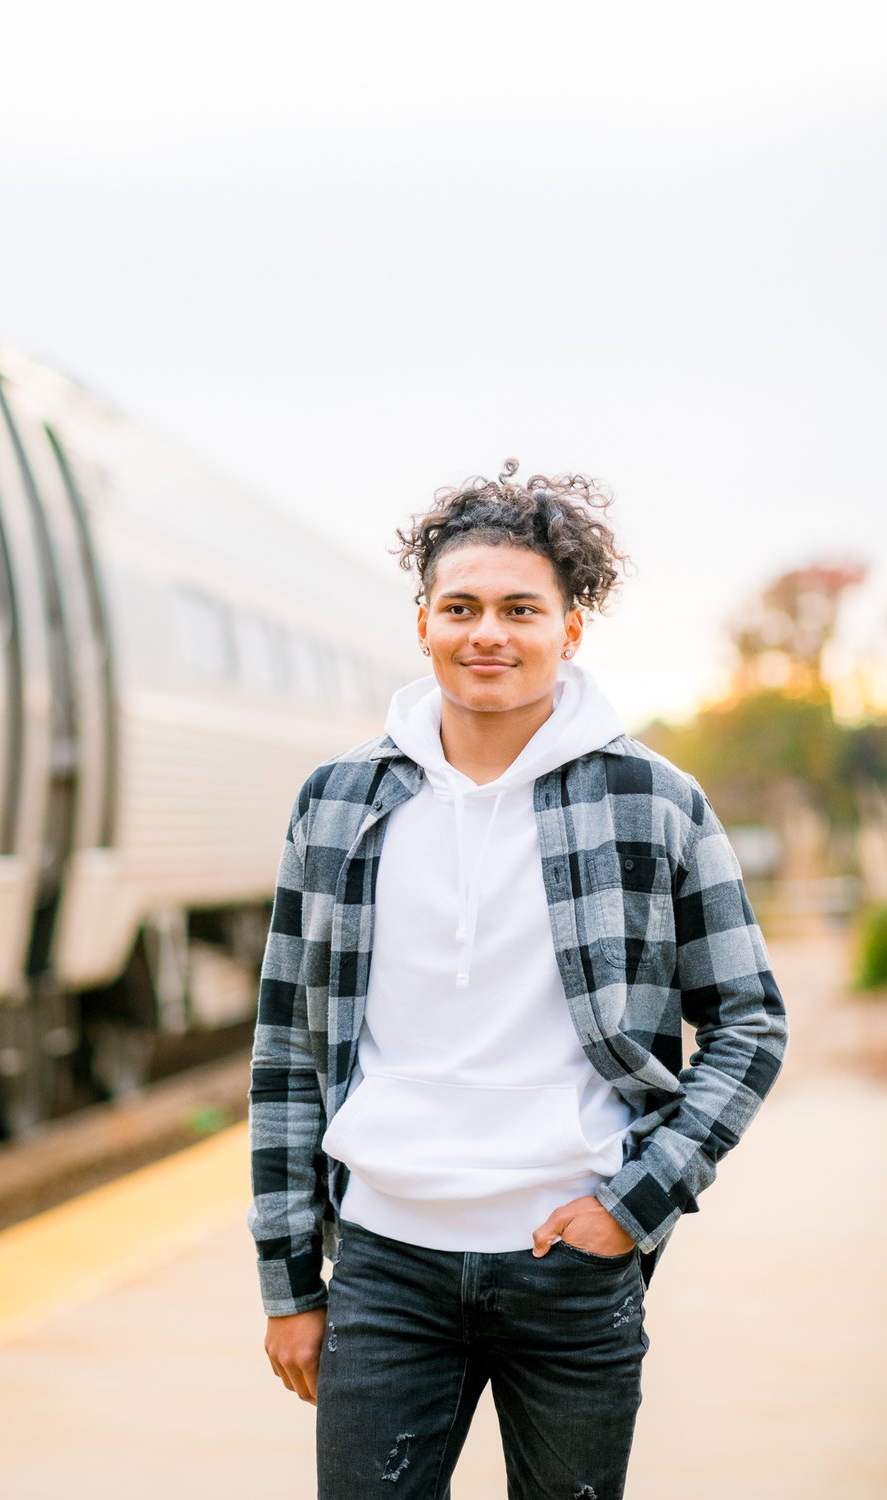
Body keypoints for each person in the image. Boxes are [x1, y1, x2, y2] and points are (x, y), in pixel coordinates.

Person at [248, 459, 787, 1499]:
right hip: (384, 1262)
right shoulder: (340, 800)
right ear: (422, 624)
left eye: (517, 609)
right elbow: (282, 1048)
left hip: (571, 1269)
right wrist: (287, 1285)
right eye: (460, 606)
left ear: (569, 629)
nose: (485, 633)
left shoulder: (653, 799)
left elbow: (749, 1024)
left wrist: (630, 1205)